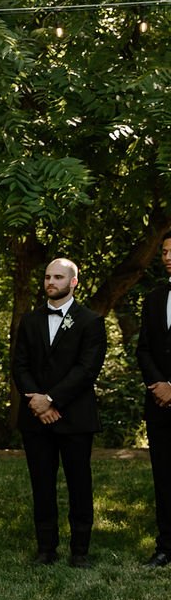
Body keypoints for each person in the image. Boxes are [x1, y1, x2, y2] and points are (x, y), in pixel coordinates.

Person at [12, 258, 107, 568]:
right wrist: (37, 403)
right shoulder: (30, 320)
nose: (51, 282)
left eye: (58, 277)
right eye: (47, 276)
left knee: (80, 483)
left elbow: (86, 369)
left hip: (75, 417)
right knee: (41, 483)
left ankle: (80, 550)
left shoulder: (91, 321)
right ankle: (46, 548)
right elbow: (20, 365)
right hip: (35, 418)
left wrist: (52, 400)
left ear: (73, 282)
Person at [136, 232, 171, 567]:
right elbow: (143, 349)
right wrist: (159, 385)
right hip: (159, 405)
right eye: (163, 252)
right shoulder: (154, 298)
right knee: (163, 478)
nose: (168, 256)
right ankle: (165, 546)